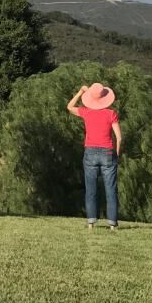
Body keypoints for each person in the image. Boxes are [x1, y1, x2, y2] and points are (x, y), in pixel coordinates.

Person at [67, 82, 121, 230]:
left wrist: (79, 92)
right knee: (111, 190)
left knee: (91, 189)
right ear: (105, 98)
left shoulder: (86, 112)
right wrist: (116, 153)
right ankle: (112, 225)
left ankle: (91, 223)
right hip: (108, 153)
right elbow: (119, 137)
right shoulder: (111, 114)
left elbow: (69, 107)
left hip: (90, 152)